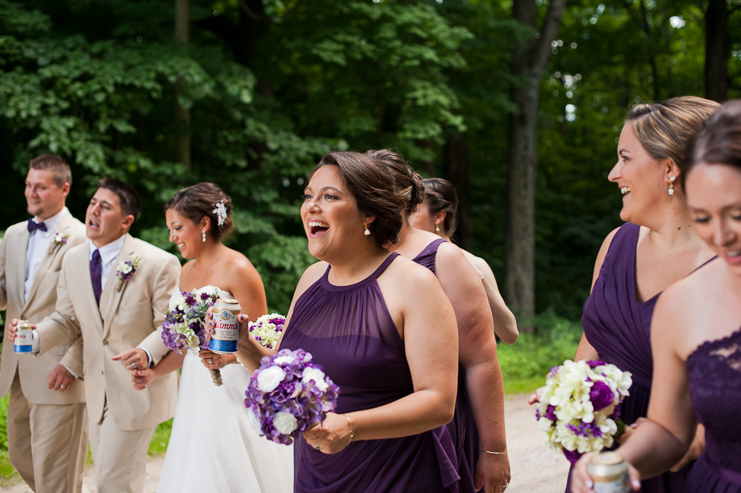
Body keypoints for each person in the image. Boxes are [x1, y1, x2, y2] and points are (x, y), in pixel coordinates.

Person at [213, 151, 460, 492]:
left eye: (329, 196)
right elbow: (284, 378)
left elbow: (439, 401)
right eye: (308, 196)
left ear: (369, 213)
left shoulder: (414, 284)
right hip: (315, 472)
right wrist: (244, 344)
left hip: (394, 475)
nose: (311, 206)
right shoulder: (311, 279)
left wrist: (349, 425)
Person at [529, 96, 720, 492]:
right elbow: (594, 342)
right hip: (608, 454)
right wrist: (566, 395)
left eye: (625, 158)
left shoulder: (727, 264)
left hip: (695, 465)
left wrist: (690, 440)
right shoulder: (615, 244)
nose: (613, 173)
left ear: (670, 168)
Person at [570, 100, 741, 493]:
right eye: (706, 214)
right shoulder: (682, 302)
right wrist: (615, 459)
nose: (721, 233)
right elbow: (669, 430)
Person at [9, 178, 181, 493]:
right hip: (96, 387)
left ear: (126, 221)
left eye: (105, 206)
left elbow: (170, 325)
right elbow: (66, 317)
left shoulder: (158, 263)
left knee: (113, 482)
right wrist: (36, 336)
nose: (94, 211)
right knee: (109, 481)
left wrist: (145, 352)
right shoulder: (73, 259)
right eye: (92, 203)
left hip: (136, 386)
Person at [130, 182, 293, 493]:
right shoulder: (185, 271)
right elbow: (185, 345)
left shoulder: (239, 269)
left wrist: (227, 357)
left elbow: (265, 343)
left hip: (232, 387)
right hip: (195, 388)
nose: (171, 237)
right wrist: (154, 372)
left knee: (229, 465)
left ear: (203, 223)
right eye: (169, 228)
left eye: (177, 227)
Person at [366, 149, 511, 493]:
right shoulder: (357, 255)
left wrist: (494, 449)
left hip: (435, 414)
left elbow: (481, 358)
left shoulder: (444, 256)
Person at [0, 155, 88, 492]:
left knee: (57, 470)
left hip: (59, 370)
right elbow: (6, 294)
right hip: (17, 367)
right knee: (21, 454)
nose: (30, 193)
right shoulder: (13, 234)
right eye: (27, 184)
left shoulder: (83, 238)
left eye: (40, 186)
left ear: (64, 189)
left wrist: (73, 364)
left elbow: (89, 313)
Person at [408, 177, 518, 344]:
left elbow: (510, 334)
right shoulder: (401, 262)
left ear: (438, 217)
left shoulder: (475, 263)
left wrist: (478, 280)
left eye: (413, 211)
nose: (404, 218)